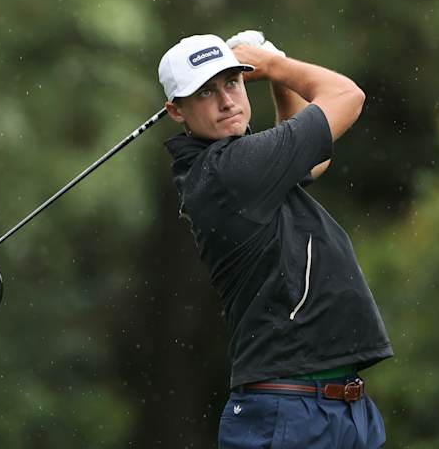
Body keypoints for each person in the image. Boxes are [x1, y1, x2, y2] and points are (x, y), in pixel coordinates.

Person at [158, 32, 393, 448]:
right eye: (206, 93)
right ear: (176, 112)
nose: (227, 100)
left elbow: (313, 161)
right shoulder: (232, 172)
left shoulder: (242, 166)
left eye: (233, 82)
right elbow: (347, 96)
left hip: (337, 407)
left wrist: (276, 79)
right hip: (289, 412)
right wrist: (271, 65)